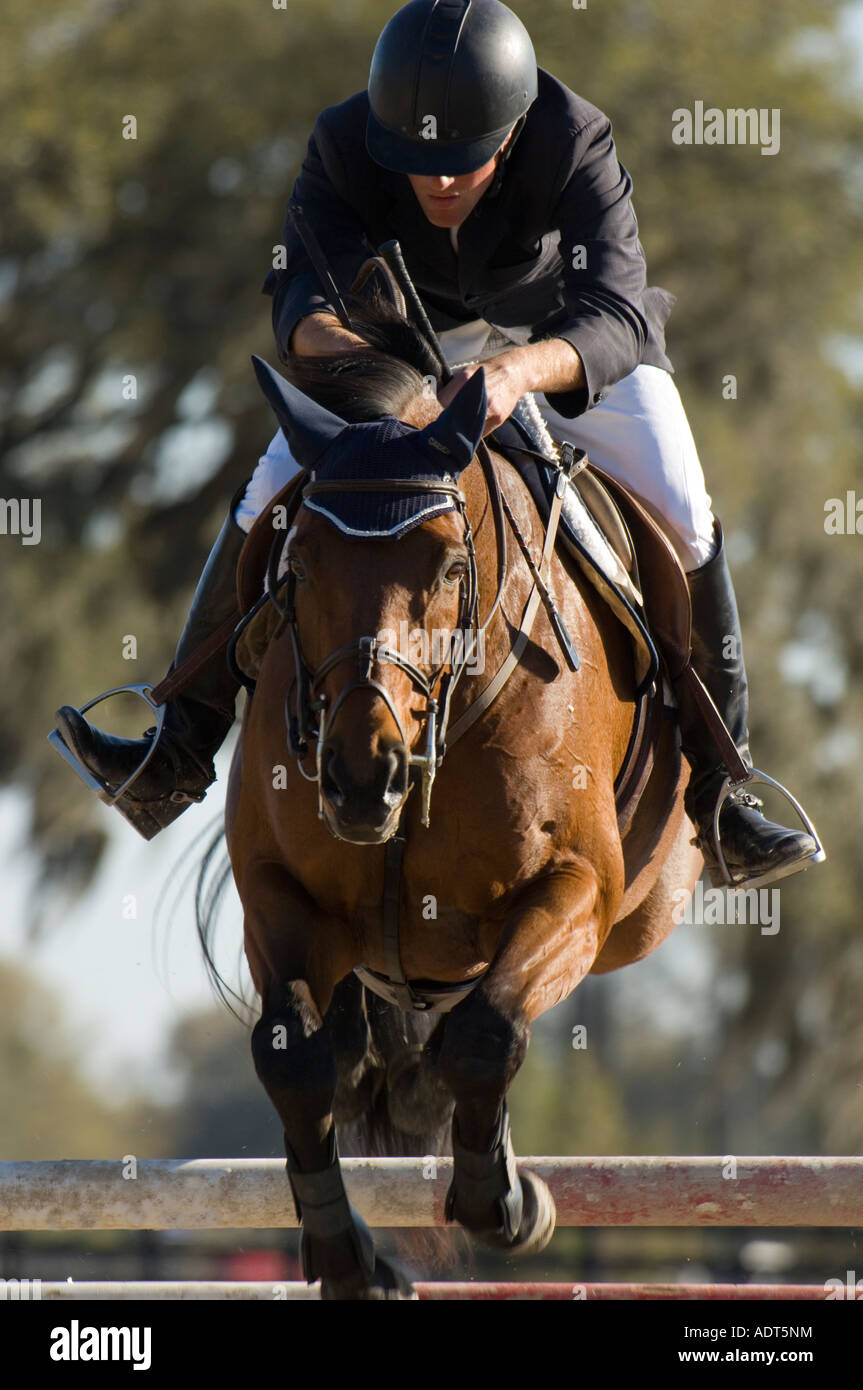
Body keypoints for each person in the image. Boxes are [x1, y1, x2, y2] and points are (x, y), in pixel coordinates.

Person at [54, 0, 820, 886]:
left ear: (513, 125)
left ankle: (724, 796)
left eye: (461, 163)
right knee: (268, 487)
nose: (440, 184)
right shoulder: (347, 140)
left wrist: (515, 374)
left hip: (561, 347)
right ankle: (176, 750)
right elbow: (301, 291)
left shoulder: (572, 137)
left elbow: (612, 314)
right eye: (419, 165)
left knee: (685, 513)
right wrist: (351, 358)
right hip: (403, 353)